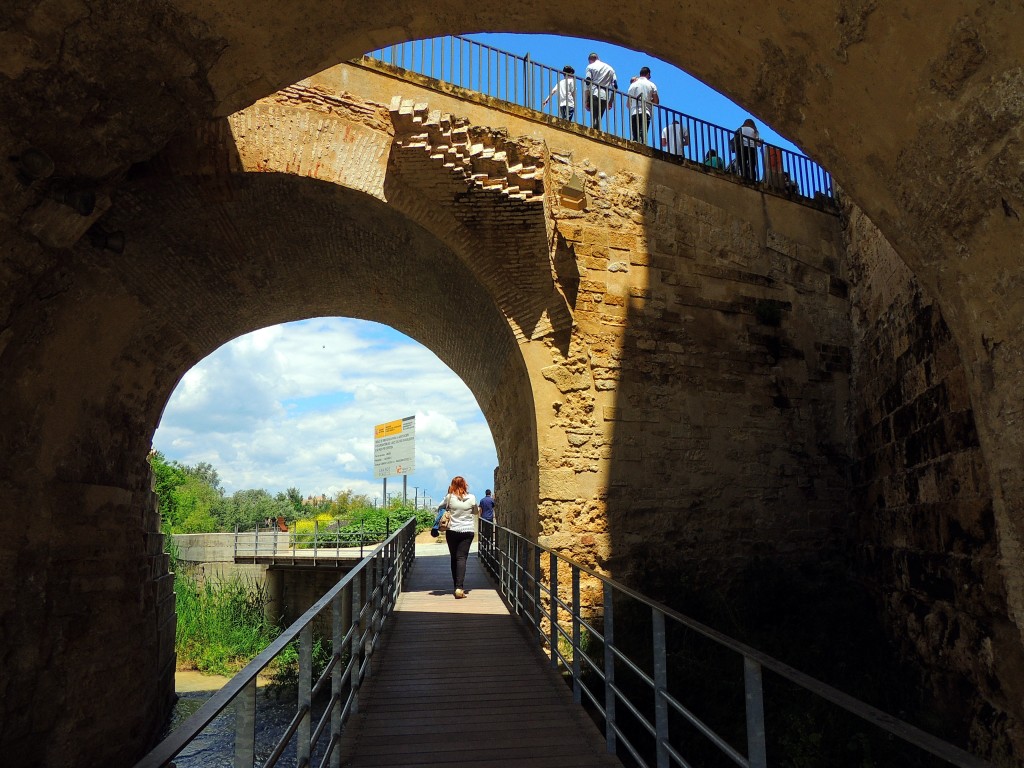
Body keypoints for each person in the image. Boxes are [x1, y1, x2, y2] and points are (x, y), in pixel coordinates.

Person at [442, 475, 478, 598]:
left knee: (454, 558)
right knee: (462, 558)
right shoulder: (472, 497)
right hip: (467, 530)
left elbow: (439, 508)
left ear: (452, 485)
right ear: (464, 485)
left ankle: (455, 586)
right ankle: (459, 587)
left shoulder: (449, 497)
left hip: (452, 530)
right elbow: (475, 512)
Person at [584, 52, 617, 130]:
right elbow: (615, 86)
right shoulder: (610, 69)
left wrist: (586, 100)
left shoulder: (590, 67)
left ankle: (594, 133)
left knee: (594, 116)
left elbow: (587, 82)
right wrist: (610, 101)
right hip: (605, 96)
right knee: (599, 117)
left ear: (590, 60)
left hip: (594, 93)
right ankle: (597, 131)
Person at [627, 66, 659, 144]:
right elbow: (656, 101)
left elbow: (628, 104)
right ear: (648, 74)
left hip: (634, 112)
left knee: (635, 135)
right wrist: (649, 100)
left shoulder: (632, 85)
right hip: (646, 111)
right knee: (643, 133)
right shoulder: (651, 85)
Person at [734, 118, 762, 182]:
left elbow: (736, 139)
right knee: (752, 166)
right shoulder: (755, 131)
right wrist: (761, 142)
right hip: (752, 149)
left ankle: (744, 177)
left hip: (742, 148)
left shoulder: (741, 129)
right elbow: (758, 144)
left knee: (742, 164)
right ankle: (753, 180)